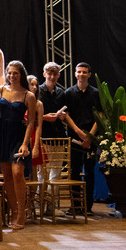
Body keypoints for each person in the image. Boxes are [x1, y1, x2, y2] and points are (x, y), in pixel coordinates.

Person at [0, 61, 37, 229]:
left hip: (19, 136)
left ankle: (21, 212)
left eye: (15, 73)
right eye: (9, 73)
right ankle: (13, 211)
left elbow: (31, 122)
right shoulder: (1, 90)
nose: (12, 76)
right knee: (7, 177)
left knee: (18, 173)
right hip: (2, 134)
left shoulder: (29, 95)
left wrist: (26, 144)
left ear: (21, 75)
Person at [63, 62, 101, 216]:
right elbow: (66, 116)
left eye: (85, 72)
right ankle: (75, 206)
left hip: (91, 140)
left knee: (90, 173)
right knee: (74, 172)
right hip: (74, 139)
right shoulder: (69, 93)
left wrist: (89, 136)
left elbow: (100, 116)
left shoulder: (96, 93)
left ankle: (88, 207)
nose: (81, 74)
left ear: (89, 74)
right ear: (75, 74)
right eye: (79, 72)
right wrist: (79, 132)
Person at [37, 62, 68, 184]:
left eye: (55, 74)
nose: (52, 77)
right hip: (43, 136)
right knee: (42, 172)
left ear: (58, 75)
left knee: (56, 171)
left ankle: (52, 201)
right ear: (44, 74)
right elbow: (30, 116)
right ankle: (40, 201)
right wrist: (45, 117)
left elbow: (66, 116)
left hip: (58, 135)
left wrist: (62, 116)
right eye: (49, 74)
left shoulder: (61, 92)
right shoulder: (38, 91)